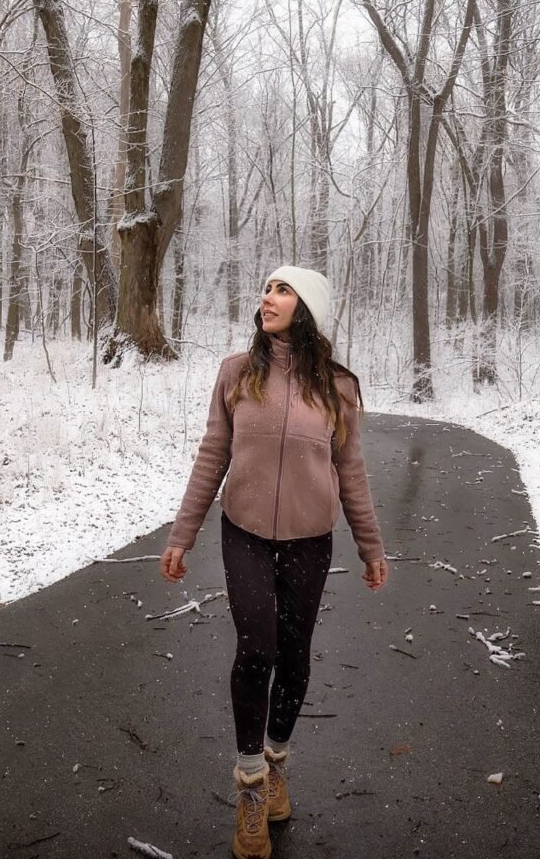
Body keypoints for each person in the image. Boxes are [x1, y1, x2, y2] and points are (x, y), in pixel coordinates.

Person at [159, 264, 389, 859]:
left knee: (293, 652)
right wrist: (182, 534)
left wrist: (371, 547)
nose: (268, 297)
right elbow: (213, 454)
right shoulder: (236, 374)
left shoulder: (337, 387)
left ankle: (279, 757)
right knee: (256, 647)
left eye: (282, 289)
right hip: (246, 534)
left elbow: (352, 473)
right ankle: (252, 785)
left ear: (308, 306)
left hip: (312, 540)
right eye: (266, 288)